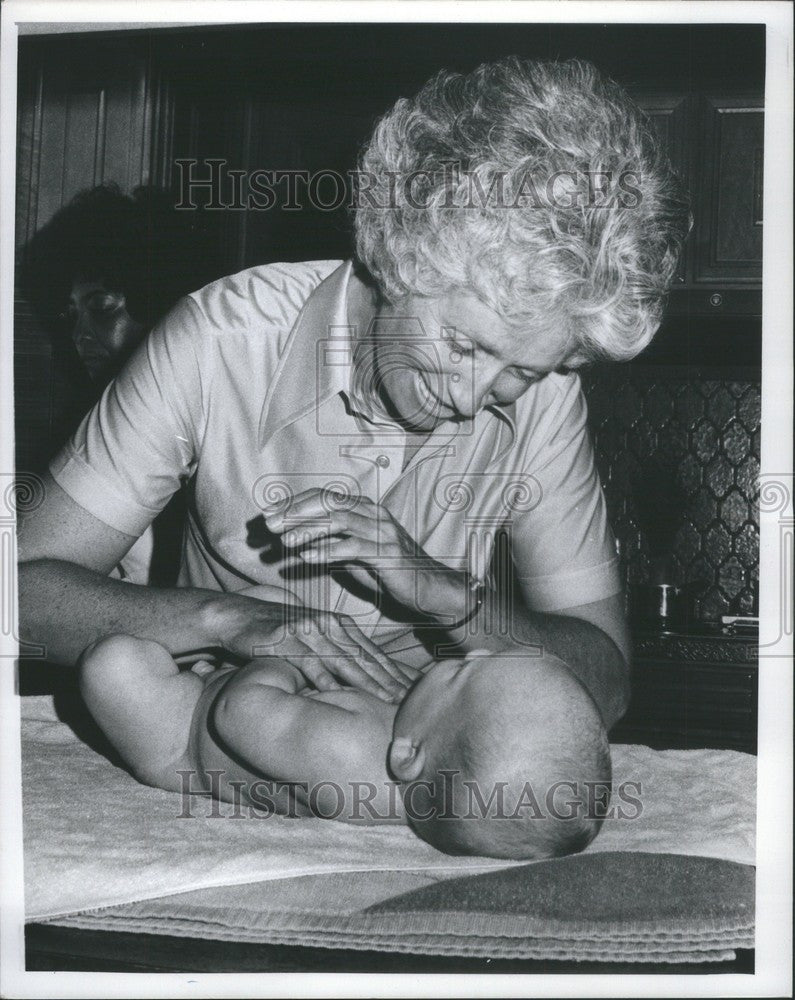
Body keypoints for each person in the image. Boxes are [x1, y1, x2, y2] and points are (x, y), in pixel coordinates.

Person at [19, 58, 691, 724]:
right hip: (231, 731)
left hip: (417, 756)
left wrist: (451, 599)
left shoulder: (543, 393)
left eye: (523, 370)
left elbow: (605, 684)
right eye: (463, 345)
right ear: (392, 251)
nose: (471, 397)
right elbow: (16, 598)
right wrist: (229, 620)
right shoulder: (219, 341)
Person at [77, 626, 611, 860]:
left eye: (460, 677)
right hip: (220, 688)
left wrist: (277, 655)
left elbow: (239, 714)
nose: (468, 655)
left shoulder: (349, 755)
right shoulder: (415, 748)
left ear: (408, 755)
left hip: (181, 735)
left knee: (113, 662)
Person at [22, 183, 213, 584]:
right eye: (71, 315)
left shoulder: (214, 421)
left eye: (102, 307)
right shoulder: (87, 434)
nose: (80, 336)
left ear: (158, 297)